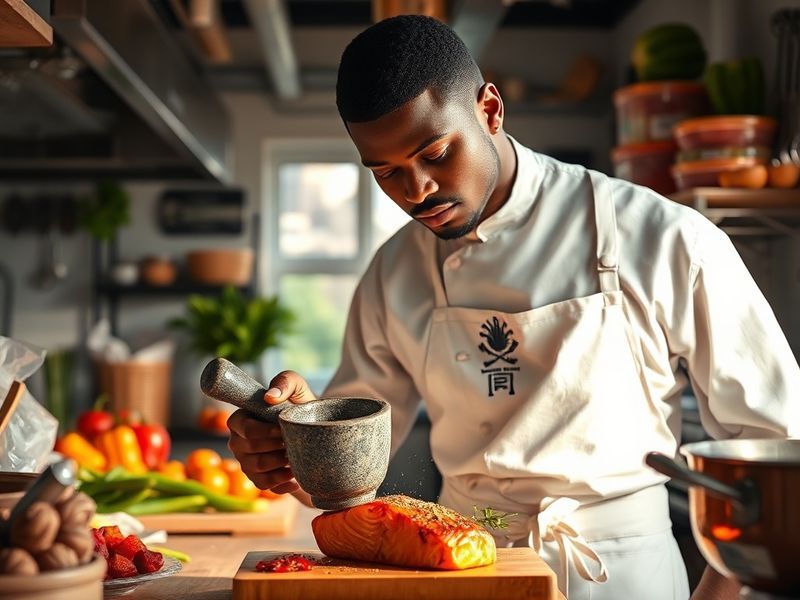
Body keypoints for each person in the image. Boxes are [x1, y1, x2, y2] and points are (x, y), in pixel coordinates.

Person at [227, 14, 800, 600]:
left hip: (625, 573)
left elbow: (775, 449)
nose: (416, 190)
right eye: (386, 172)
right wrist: (294, 444)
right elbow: (345, 476)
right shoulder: (394, 272)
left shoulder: (662, 236)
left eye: (436, 153)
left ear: (490, 110)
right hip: (462, 565)